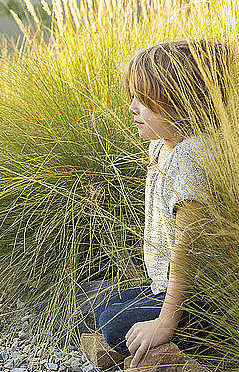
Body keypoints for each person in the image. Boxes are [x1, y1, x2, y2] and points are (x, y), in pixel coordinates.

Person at [92, 38, 231, 368]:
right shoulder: (162, 144)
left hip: (203, 297)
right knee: (101, 305)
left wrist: (166, 321)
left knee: (113, 324)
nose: (131, 108)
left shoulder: (192, 157)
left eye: (144, 100)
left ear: (180, 104)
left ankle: (205, 337)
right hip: (166, 284)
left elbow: (189, 245)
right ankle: (153, 325)